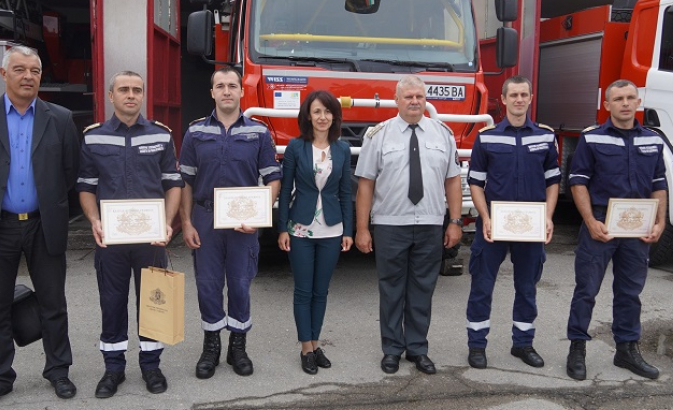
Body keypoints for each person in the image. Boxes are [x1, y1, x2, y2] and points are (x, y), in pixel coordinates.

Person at [0, 46, 79, 410]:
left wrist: (49, 202)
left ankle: (58, 370)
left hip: (43, 224)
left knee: (53, 303)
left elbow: (70, 171)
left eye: (34, 71)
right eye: (20, 69)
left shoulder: (60, 118)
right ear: (4, 74)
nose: (28, 76)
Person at [77, 71, 183, 398]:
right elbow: (86, 186)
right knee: (112, 302)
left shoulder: (161, 135)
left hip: (151, 239)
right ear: (111, 96)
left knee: (154, 302)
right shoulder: (94, 137)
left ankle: (151, 366)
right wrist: (94, 220)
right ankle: (114, 369)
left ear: (143, 95)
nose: (131, 95)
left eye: (137, 90)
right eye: (123, 89)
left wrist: (168, 223)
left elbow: (173, 183)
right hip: (111, 239)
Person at [355, 75, 463, 375]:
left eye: (419, 96)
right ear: (397, 100)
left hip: (430, 223)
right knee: (391, 290)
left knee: (422, 290)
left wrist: (455, 221)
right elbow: (365, 184)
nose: (414, 101)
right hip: (390, 224)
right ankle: (392, 349)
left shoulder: (442, 133)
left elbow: (453, 180)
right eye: (408, 97)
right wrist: (362, 228)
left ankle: (417, 348)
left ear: (425, 99)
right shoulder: (379, 135)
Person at [179, 67, 282, 379]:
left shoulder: (259, 133)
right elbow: (185, 182)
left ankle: (238, 346)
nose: (226, 91)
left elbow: (273, 179)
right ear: (212, 92)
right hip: (205, 218)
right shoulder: (195, 132)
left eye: (232, 86)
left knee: (240, 283)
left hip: (243, 221)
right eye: (220, 86)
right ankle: (211, 345)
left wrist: (259, 215)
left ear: (241, 91)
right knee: (208, 284)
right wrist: (186, 222)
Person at [566, 79, 667, 381]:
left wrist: (660, 221)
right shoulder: (592, 138)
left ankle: (626, 350)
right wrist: (589, 221)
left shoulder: (652, 140)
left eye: (630, 97)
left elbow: (659, 184)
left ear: (638, 102)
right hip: (601, 223)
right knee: (586, 290)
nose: (625, 103)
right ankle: (577, 348)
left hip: (638, 226)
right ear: (607, 104)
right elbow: (578, 182)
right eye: (619, 98)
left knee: (630, 292)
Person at [464, 76, 560, 370]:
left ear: (530, 98)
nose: (519, 99)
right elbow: (476, 183)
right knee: (482, 287)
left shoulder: (545, 137)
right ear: (503, 100)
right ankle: (477, 345)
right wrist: (485, 217)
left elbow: (552, 182)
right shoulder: (487, 137)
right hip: (494, 226)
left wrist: (548, 217)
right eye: (513, 95)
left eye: (524, 94)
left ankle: (523, 344)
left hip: (531, 226)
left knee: (527, 288)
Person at [277, 90, 353, 375]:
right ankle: (306, 348)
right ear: (308, 116)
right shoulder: (296, 147)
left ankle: (316, 343)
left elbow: (345, 192)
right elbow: (285, 190)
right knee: (303, 291)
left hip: (332, 229)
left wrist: (347, 230)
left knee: (321, 291)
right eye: (317, 111)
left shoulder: (342, 149)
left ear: (334, 116)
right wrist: (282, 228)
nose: (323, 117)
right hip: (300, 229)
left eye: (328, 111)